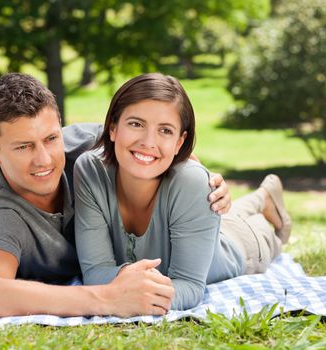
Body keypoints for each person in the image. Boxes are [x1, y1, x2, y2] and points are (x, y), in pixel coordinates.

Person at [0, 73, 231, 321]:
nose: (44, 159)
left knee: (247, 229)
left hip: (199, 235)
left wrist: (205, 180)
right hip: (137, 251)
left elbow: (152, 146)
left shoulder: (84, 145)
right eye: (23, 146)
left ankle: (264, 204)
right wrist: (105, 299)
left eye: (52, 138)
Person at [74, 73, 292, 311]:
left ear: (180, 142)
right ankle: (262, 196)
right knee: (226, 214)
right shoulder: (90, 170)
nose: (148, 141)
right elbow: (95, 272)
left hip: (241, 246)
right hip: (200, 221)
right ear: (113, 127)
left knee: (257, 232)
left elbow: (189, 286)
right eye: (136, 124)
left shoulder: (192, 183)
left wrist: (133, 294)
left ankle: (264, 200)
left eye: (165, 131)